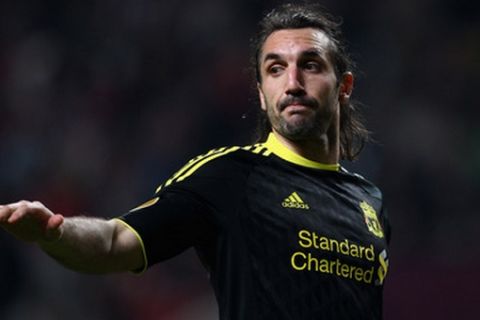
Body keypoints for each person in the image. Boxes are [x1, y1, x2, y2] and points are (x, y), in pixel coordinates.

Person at [0, 3, 391, 319]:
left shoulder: (368, 202)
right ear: (260, 93)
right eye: (275, 69)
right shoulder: (233, 176)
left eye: (309, 65)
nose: (292, 82)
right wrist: (54, 232)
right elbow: (115, 241)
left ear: (344, 87)